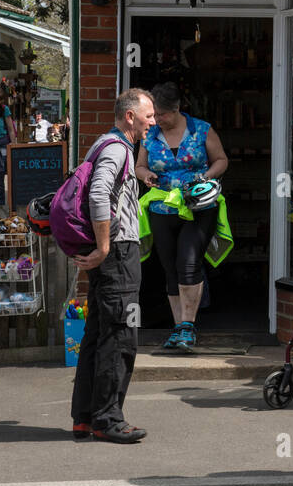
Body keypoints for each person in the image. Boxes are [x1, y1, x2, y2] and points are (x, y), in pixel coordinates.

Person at [71, 88, 156, 444]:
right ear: (129, 117)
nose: (153, 122)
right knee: (120, 336)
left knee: (97, 333)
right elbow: (98, 193)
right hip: (117, 255)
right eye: (148, 115)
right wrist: (105, 246)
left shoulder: (103, 143)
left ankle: (85, 417)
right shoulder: (119, 148)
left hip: (111, 256)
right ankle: (108, 419)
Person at [136, 83, 228, 353]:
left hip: (197, 207)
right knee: (170, 268)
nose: (156, 120)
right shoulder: (150, 134)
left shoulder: (201, 129)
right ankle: (178, 328)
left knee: (188, 262)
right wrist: (145, 176)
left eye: (161, 115)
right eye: (154, 115)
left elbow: (221, 160)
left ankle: (188, 325)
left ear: (177, 109)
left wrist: (205, 178)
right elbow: (140, 165)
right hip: (162, 208)